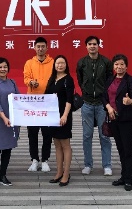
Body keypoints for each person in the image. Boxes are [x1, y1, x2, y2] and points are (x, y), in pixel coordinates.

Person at [76, 36, 113, 176]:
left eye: (95, 44)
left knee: (104, 135)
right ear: (86, 46)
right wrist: (86, 92)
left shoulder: (106, 62)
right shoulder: (82, 62)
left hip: (102, 104)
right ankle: (88, 164)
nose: (92, 46)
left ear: (98, 45)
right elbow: (80, 80)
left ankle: (107, 165)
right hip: (86, 103)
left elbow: (109, 81)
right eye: (90, 44)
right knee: (87, 135)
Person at [104, 54, 132, 192]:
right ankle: (124, 176)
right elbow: (104, 97)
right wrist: (108, 107)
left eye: (122, 64)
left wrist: (130, 101)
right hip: (114, 118)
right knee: (120, 148)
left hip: (127, 119)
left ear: (126, 66)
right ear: (113, 66)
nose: (119, 67)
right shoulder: (110, 79)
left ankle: (129, 179)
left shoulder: (130, 80)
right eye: (116, 64)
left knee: (128, 149)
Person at [23, 36, 54, 172]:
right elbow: (26, 78)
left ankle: (45, 160)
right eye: (38, 46)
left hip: (48, 102)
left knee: (47, 133)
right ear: (34, 48)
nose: (40, 49)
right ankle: (34, 159)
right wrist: (31, 82)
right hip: (33, 103)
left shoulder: (53, 62)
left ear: (47, 48)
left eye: (43, 46)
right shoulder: (29, 63)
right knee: (32, 133)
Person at [0, 57, 20, 187]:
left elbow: (19, 99)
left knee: (8, 148)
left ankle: (3, 175)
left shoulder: (12, 82)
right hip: (0, 121)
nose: (3, 69)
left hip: (12, 120)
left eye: (5, 67)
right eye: (0, 67)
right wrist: (4, 117)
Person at [45, 55, 74, 186]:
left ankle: (66, 174)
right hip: (52, 116)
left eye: (62, 63)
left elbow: (69, 99)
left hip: (63, 116)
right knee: (57, 145)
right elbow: (46, 97)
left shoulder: (68, 79)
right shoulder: (52, 78)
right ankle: (59, 172)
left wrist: (65, 115)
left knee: (65, 145)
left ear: (66, 65)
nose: (60, 65)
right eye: (57, 63)